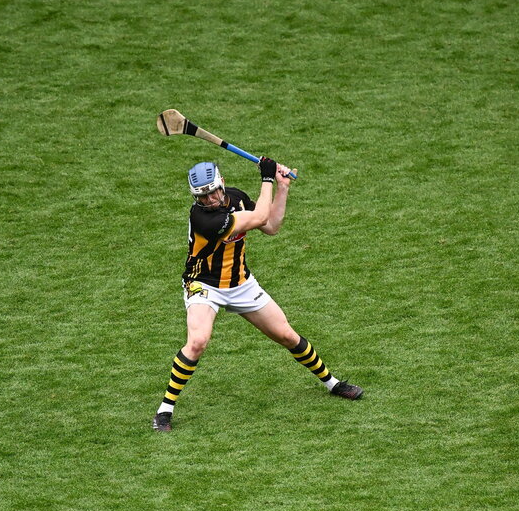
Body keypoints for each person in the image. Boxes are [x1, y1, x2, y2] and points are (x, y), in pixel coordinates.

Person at [152, 157, 363, 432]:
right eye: (203, 197)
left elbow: (271, 226)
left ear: (222, 183)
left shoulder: (237, 197)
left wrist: (282, 187)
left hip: (241, 283)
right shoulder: (203, 218)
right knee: (198, 342)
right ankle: (164, 411)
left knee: (287, 335)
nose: (211, 199)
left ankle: (333, 384)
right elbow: (259, 217)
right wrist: (266, 179)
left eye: (214, 191)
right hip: (204, 285)